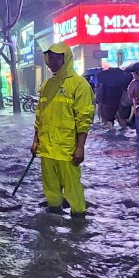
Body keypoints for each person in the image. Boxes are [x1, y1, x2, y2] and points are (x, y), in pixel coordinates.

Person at [32, 43, 94, 216]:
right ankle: (53, 215)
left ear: (66, 59)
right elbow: (40, 116)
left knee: (72, 188)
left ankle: (79, 219)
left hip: (67, 148)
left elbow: (84, 118)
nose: (52, 62)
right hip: (47, 147)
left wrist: (80, 147)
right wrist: (36, 140)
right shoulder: (47, 85)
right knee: (50, 187)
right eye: (50, 58)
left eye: (57, 58)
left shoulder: (79, 85)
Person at [94, 66, 133, 131]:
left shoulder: (105, 82)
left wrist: (100, 101)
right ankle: (124, 129)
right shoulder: (121, 80)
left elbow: (101, 95)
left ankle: (111, 129)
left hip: (108, 102)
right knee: (122, 117)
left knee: (109, 117)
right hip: (119, 101)